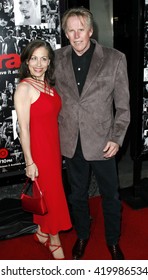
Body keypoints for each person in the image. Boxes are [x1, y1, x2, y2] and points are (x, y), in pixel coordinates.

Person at [54, 7, 130, 260]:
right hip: (70, 140)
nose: (76, 36)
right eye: (71, 31)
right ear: (66, 33)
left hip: (103, 142)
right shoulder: (56, 58)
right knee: (76, 195)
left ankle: (113, 241)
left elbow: (123, 107)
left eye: (80, 30)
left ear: (90, 30)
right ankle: (82, 235)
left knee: (110, 195)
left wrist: (116, 138)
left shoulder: (114, 58)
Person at [14, 39, 72, 260]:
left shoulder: (47, 84)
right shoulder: (24, 88)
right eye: (34, 58)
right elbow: (23, 129)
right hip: (39, 151)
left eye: (44, 58)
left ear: (49, 62)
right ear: (27, 61)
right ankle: (54, 239)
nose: (39, 63)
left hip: (52, 148)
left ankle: (41, 232)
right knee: (52, 196)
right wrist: (30, 161)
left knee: (50, 193)